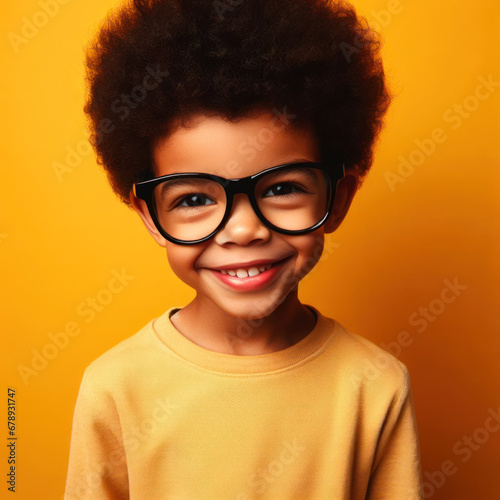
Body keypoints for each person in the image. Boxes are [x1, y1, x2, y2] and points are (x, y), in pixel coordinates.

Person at [65, 0, 423, 498]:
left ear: (337, 200)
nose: (242, 230)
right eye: (193, 199)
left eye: (281, 188)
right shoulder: (114, 388)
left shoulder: (375, 386)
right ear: (151, 216)